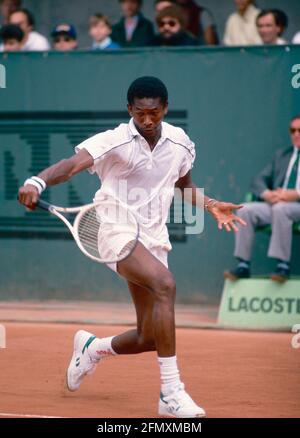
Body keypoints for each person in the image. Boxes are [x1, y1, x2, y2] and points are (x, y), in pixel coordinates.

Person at [18, 76, 246, 418]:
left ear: (165, 109)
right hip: (113, 229)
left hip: (153, 238)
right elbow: (72, 165)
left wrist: (210, 203)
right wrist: (38, 180)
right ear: (130, 110)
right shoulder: (114, 141)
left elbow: (183, 185)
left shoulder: (181, 143)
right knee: (166, 285)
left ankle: (93, 349)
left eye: (154, 113)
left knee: (150, 337)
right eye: (140, 113)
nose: (147, 120)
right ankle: (171, 393)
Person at [224, 115, 300, 283]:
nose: (296, 134)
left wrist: (294, 194)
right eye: (292, 130)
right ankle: (243, 265)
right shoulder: (283, 155)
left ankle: (283, 266)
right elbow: (258, 180)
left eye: (299, 130)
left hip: (295, 206)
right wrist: (267, 194)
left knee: (281, 209)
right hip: (277, 203)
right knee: (246, 209)